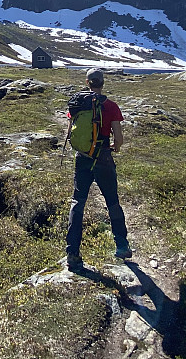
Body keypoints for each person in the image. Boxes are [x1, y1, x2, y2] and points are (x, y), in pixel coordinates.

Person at [65, 67, 131, 271]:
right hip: (103, 157)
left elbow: (70, 132)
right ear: (102, 83)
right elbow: (118, 138)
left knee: (78, 202)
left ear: (87, 83)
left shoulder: (77, 103)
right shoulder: (111, 106)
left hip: (82, 158)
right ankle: (121, 245)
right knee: (112, 201)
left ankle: (72, 253)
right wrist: (115, 147)